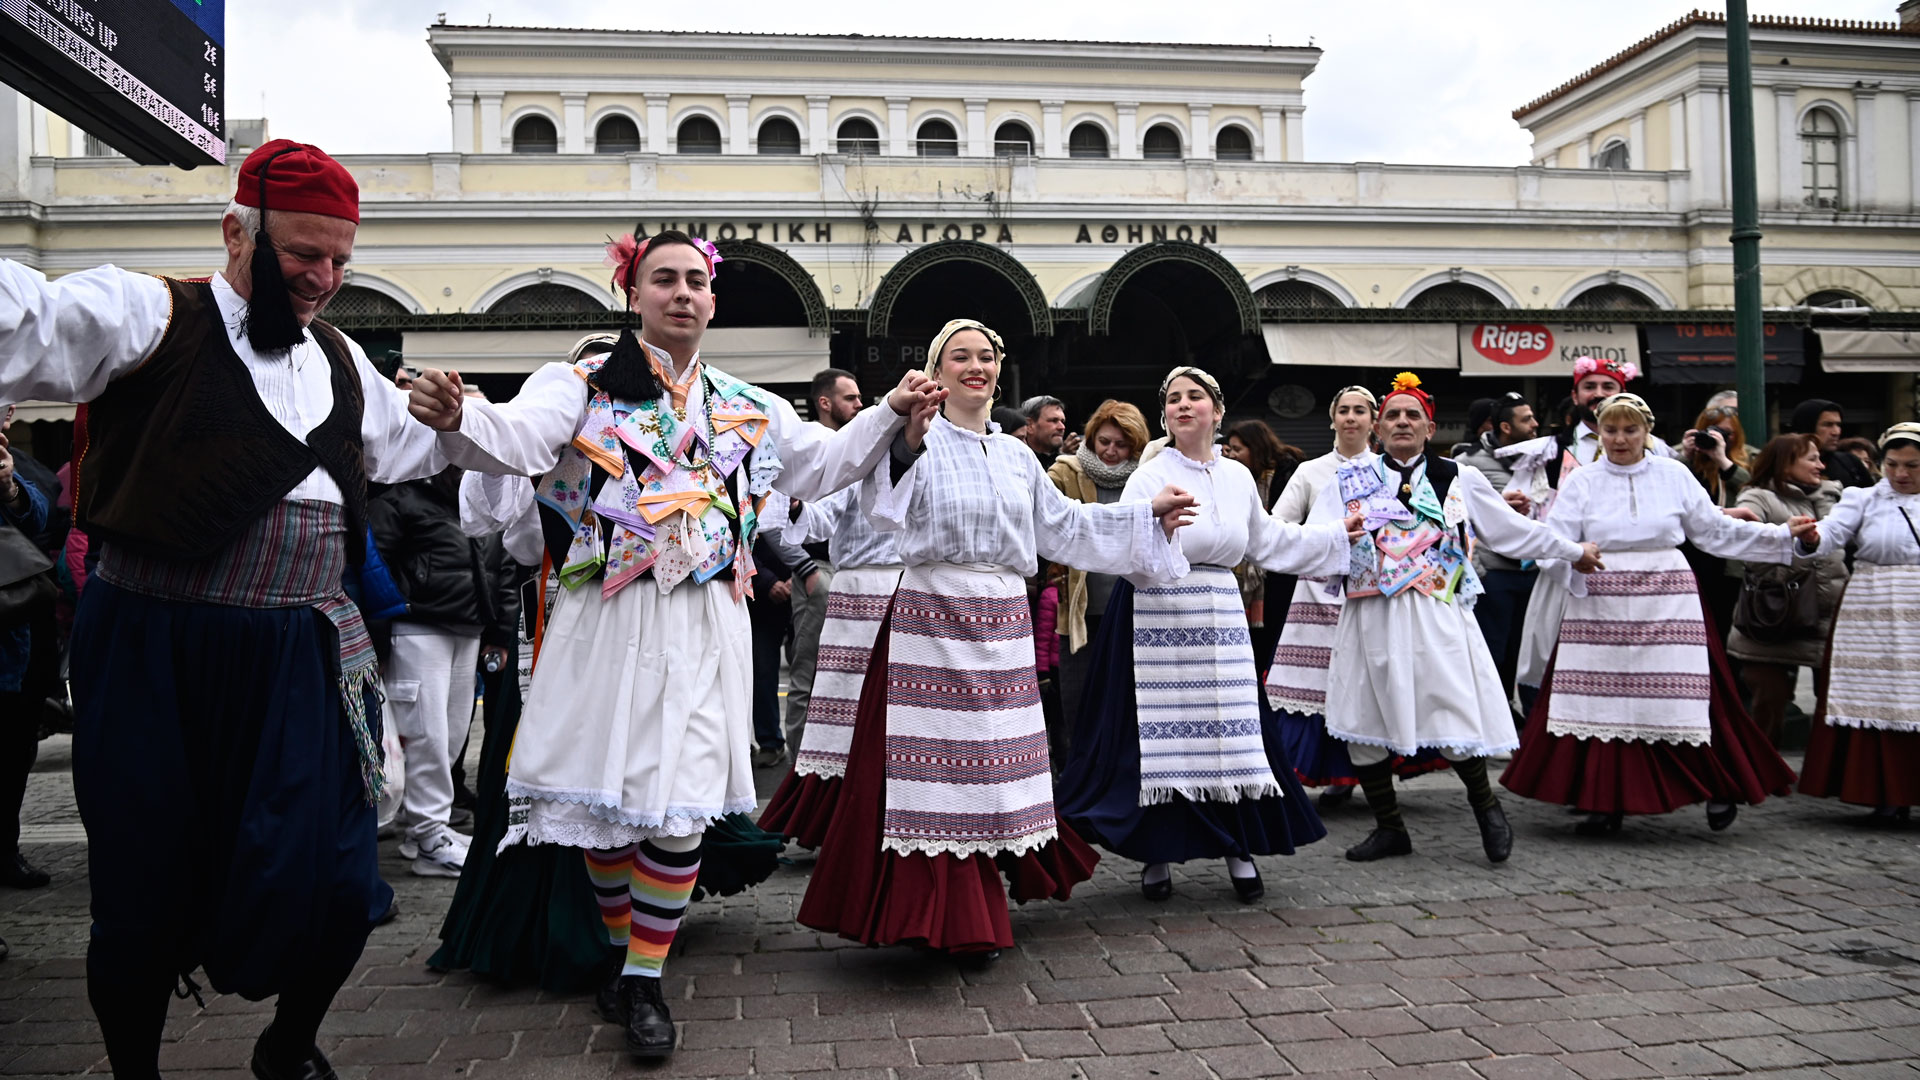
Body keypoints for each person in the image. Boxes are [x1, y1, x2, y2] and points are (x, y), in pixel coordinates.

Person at [411, 229, 941, 1060]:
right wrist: (461, 416)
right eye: (665, 279)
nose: (683, 293)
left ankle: (645, 977)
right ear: (633, 294)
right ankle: (627, 963)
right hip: (604, 622)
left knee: (685, 801)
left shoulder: (748, 401)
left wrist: (890, 410)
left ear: (714, 300)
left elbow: (825, 465)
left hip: (706, 624)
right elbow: (515, 438)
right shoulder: (579, 383)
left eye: (696, 280)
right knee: (606, 803)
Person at [0, 140, 456, 1080]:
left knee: (338, 883)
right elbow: (29, 318)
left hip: (305, 654)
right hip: (156, 650)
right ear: (235, 232)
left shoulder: (345, 363)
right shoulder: (148, 312)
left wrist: (461, 415)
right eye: (302, 255)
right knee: (143, 890)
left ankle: (287, 1048)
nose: (325, 278)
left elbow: (419, 447)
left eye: (340, 258)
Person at [796, 319, 1195, 958]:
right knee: (939, 776)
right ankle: (941, 910)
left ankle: (980, 890)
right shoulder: (915, 438)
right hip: (933, 616)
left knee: (995, 769)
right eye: (960, 357)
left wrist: (1144, 514)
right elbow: (880, 508)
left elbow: (1063, 526)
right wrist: (903, 446)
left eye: (986, 356)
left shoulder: (1015, 454)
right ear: (936, 369)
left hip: (1004, 623)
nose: (975, 367)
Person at [1058, 366, 1358, 902]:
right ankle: (1156, 851)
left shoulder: (1238, 477)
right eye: (1173, 399)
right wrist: (1158, 529)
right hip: (1158, 607)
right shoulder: (1149, 474)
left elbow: (1267, 540)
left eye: (1195, 396)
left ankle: (1237, 846)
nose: (1183, 405)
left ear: (1217, 411)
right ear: (1165, 414)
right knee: (1157, 737)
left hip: (1220, 612)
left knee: (1229, 733)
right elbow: (1123, 540)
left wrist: (1335, 537)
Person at [1321, 374, 1602, 864]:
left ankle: (1487, 809)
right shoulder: (1347, 481)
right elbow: (1317, 541)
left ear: (1430, 428)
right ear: (1377, 429)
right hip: (1369, 613)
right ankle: (1390, 828)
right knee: (1364, 715)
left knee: (1449, 708)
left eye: (1412, 415)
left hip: (1437, 612)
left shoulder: (1459, 475)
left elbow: (1511, 532)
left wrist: (1572, 550)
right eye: (1393, 415)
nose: (1402, 422)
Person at [1501, 393, 1809, 835]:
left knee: (1686, 697)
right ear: (1599, 433)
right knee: (1602, 704)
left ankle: (1718, 786)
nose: (1620, 439)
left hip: (1667, 597)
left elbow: (1714, 531)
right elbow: (1555, 540)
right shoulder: (1583, 480)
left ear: (1647, 432)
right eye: (1610, 430)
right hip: (1601, 601)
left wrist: (1781, 537)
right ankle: (1605, 801)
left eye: (1630, 430)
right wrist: (1573, 556)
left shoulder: (1673, 474)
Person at [1266, 387, 1447, 807]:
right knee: (1316, 688)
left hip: (1373, 592)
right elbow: (1278, 525)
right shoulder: (1312, 471)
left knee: (1372, 682)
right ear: (1332, 420)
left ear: (1374, 423)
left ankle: (1372, 773)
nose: (1351, 417)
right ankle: (1333, 774)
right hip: (1317, 593)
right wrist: (1324, 541)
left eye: (1360, 411)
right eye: (1343, 410)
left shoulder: (1389, 471)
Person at [369, 466, 517, 877]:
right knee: (426, 735)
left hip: (466, 629)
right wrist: (378, 643)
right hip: (418, 628)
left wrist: (498, 634)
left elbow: (501, 566)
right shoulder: (400, 500)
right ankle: (430, 831)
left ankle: (425, 833)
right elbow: (373, 569)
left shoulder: (479, 499)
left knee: (449, 736)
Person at [1500, 356, 1667, 714]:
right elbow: (1515, 506)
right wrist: (1512, 506)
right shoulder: (1547, 451)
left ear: (1624, 394)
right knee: (1551, 659)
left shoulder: (1657, 453)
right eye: (1590, 386)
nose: (1598, 394)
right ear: (1575, 395)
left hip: (1634, 583)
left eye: (1608, 387)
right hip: (1564, 573)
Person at [757, 473, 906, 848]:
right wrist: (797, 508)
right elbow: (817, 519)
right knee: (836, 710)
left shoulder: (931, 460)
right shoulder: (858, 461)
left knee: (898, 715)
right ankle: (831, 817)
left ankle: (894, 817)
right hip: (855, 595)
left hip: (908, 592)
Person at [1796, 422, 1920, 822]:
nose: (1901, 473)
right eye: (1894, 464)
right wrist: (1813, 538)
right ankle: (1886, 792)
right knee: (1879, 696)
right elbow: (1831, 534)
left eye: (1913, 466)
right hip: (1873, 608)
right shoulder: (1862, 498)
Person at [1727, 434, 1846, 747]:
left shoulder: (1833, 495)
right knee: (1768, 702)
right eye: (1812, 458)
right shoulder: (1757, 496)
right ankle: (1758, 770)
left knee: (1836, 702)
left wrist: (1823, 498)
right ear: (1785, 462)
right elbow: (1747, 542)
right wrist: (1793, 551)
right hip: (1773, 616)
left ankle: (1829, 773)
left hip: (1828, 619)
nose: (1821, 465)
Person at [1047, 399, 1151, 747]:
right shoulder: (1064, 473)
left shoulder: (1150, 477)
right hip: (1079, 613)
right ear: (1091, 439)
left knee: (1130, 704)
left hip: (1135, 611)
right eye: (1104, 442)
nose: (1111, 450)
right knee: (1080, 705)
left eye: (1121, 444)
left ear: (1136, 445)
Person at [779, 368, 864, 758]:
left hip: (855, 578)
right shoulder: (806, 446)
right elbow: (775, 518)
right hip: (818, 570)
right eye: (850, 398)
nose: (859, 405)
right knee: (809, 674)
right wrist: (806, 569)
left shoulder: (859, 446)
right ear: (825, 403)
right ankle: (799, 769)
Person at [1455, 392, 1538, 706]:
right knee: (1492, 650)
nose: (1534, 424)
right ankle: (1489, 715)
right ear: (1505, 427)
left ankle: (1512, 719)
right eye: (1526, 419)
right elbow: (1451, 508)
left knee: (1521, 653)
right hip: (1493, 573)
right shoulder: (1468, 461)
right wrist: (1494, 507)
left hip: (1533, 571)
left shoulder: (1539, 458)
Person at [0, 425, 51, 892]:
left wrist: (10, 486)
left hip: (13, 637)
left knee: (15, 752)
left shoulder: (12, 463)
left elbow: (41, 518)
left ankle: (6, 849)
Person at [1221, 419, 1305, 673]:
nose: (1232, 455)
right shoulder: (1231, 477)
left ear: (1255, 448)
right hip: (1245, 577)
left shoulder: (1287, 474)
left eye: (1237, 449)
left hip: (1278, 575)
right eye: (1229, 449)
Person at [1790, 398, 1875, 489]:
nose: (1836, 432)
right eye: (1827, 425)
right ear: (1807, 427)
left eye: (1838, 425)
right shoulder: (1784, 464)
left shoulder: (1850, 462)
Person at [1019, 394, 1071, 462]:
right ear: (1030, 425)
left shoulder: (1071, 461)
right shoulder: (1016, 461)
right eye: (1053, 420)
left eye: (1062, 421)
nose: (1062, 427)